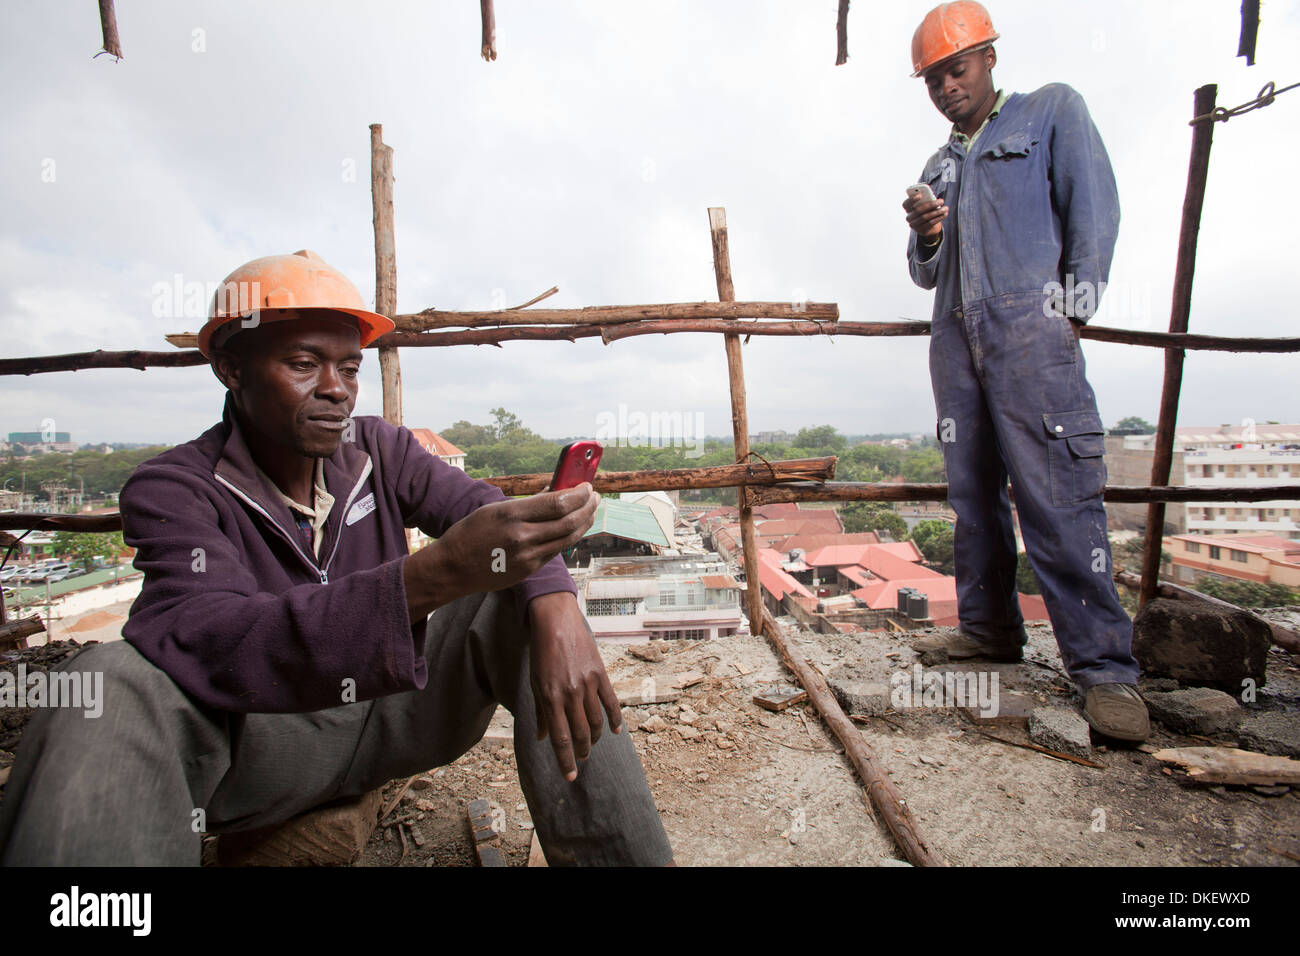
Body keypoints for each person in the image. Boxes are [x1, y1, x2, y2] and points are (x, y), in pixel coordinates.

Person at [0, 249, 675, 865]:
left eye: (349, 367)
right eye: (303, 364)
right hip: (269, 744)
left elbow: (481, 509)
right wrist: (429, 577)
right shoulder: (174, 490)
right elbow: (215, 643)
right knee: (108, 680)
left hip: (395, 715)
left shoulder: (379, 450)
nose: (337, 388)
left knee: (515, 598)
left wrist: (553, 601)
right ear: (231, 368)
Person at [901, 3, 1149, 741]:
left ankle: (1105, 670)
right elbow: (925, 274)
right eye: (933, 78)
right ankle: (988, 629)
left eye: (958, 67)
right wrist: (926, 234)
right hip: (956, 339)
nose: (947, 85)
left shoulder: (1049, 113)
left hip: (1028, 334)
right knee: (972, 494)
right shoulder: (937, 165)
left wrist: (1066, 314)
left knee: (1057, 493)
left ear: (988, 58)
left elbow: (1093, 211)